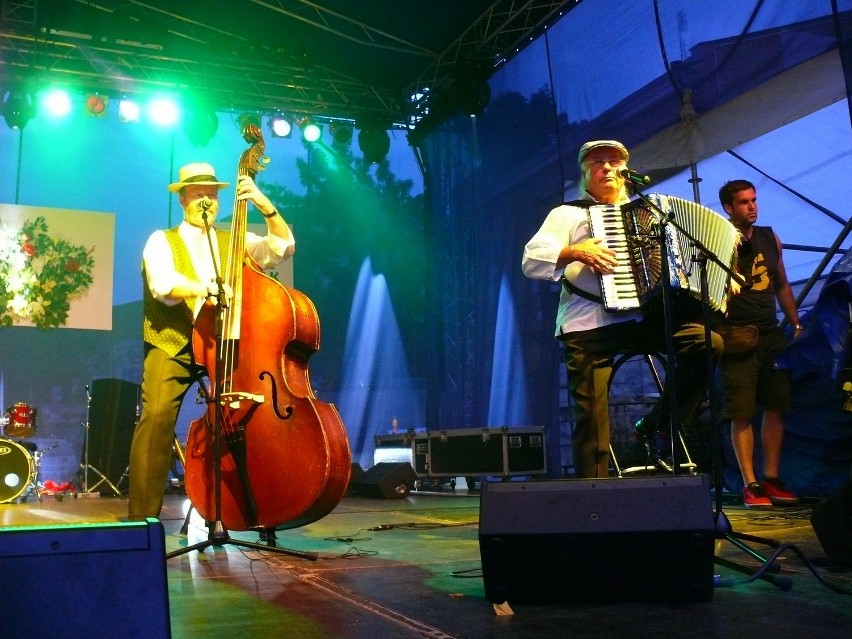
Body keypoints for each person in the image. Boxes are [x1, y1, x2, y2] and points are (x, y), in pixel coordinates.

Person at [522, 140, 722, 478]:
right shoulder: (568, 213)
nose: (607, 168)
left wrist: (715, 276)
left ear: (626, 174)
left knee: (708, 343)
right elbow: (531, 259)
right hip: (588, 325)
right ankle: (593, 496)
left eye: (614, 162)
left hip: (644, 318)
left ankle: (659, 425)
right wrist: (575, 250)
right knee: (591, 414)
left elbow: (678, 261)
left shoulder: (650, 212)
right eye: (598, 162)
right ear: (584, 173)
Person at [128, 162, 295, 520]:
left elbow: (281, 248)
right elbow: (162, 285)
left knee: (244, 420)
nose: (206, 199)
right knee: (156, 417)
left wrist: (266, 206)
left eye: (212, 194)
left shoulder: (234, 240)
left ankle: (252, 509)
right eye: (198, 193)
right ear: (183, 199)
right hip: (174, 342)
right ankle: (141, 522)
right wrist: (203, 288)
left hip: (225, 344)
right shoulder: (162, 239)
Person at [717, 179, 801, 508]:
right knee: (741, 411)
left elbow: (782, 285)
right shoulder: (719, 238)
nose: (752, 206)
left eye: (753, 200)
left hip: (770, 333)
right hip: (736, 334)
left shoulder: (770, 236)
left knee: (777, 404)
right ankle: (750, 483)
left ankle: (772, 477)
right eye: (743, 202)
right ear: (728, 207)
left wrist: (795, 322)